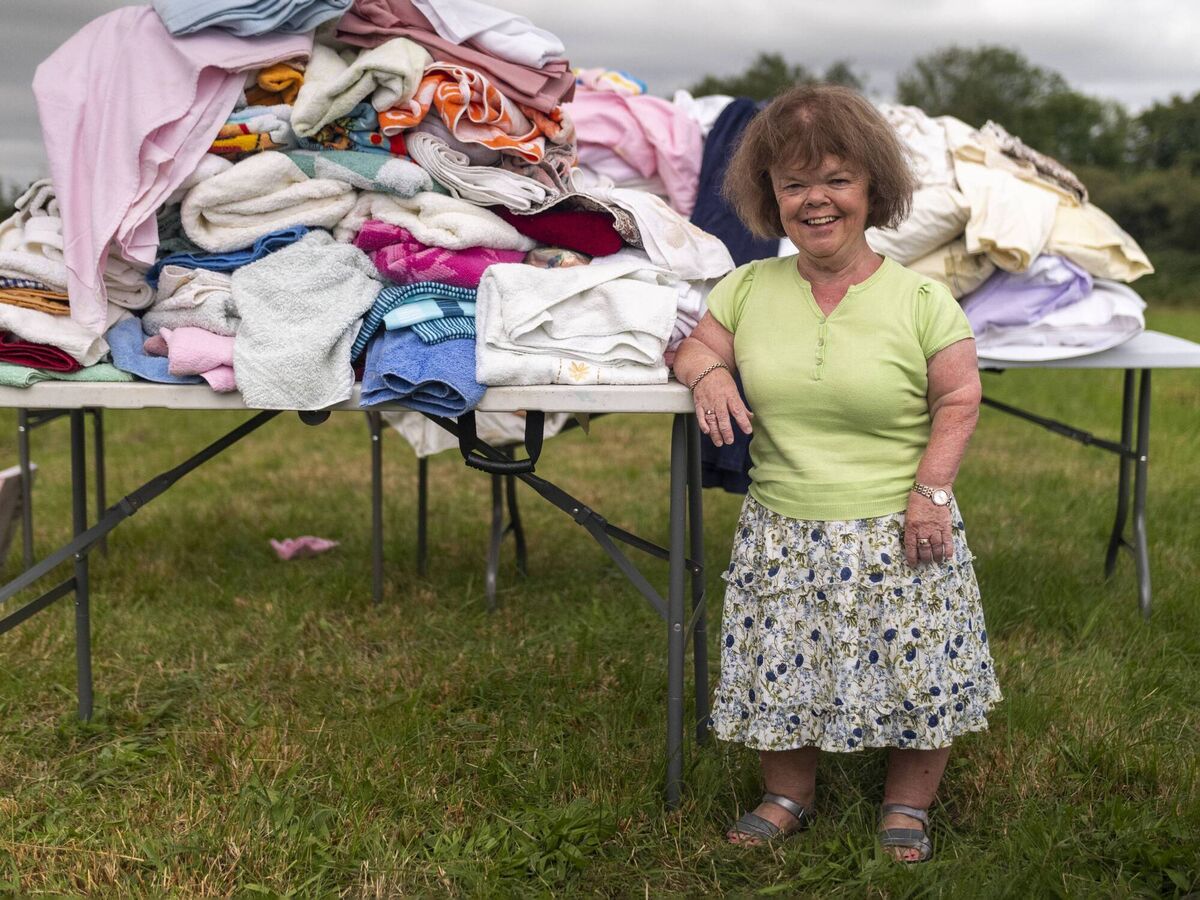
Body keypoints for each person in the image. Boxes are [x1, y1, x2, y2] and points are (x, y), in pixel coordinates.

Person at [672, 85, 1002, 862]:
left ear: (872, 188)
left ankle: (906, 808)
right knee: (780, 671)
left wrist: (931, 496)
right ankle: (788, 795)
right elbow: (694, 347)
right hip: (783, 527)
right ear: (769, 197)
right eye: (793, 184)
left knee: (920, 671)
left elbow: (959, 398)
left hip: (900, 525)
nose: (815, 200)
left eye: (836, 180)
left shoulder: (922, 299)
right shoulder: (747, 287)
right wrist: (708, 375)